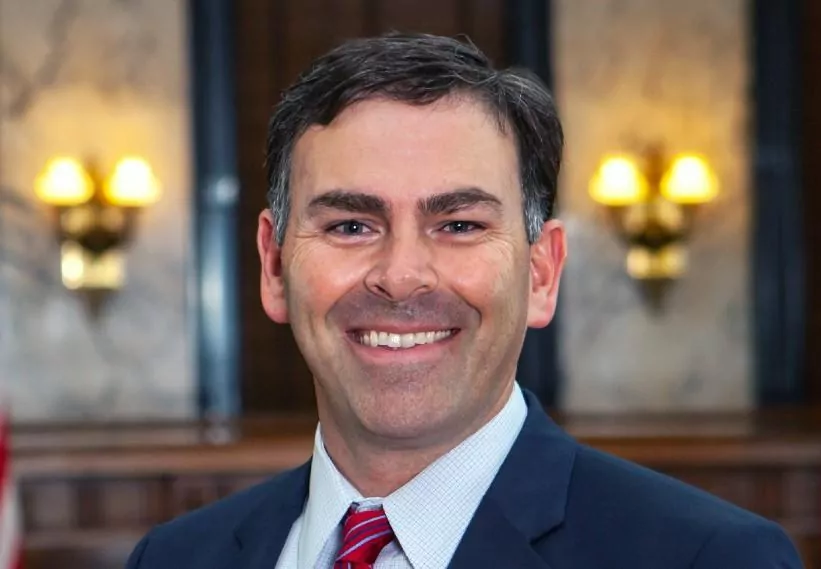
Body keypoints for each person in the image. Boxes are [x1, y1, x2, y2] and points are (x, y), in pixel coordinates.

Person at [126, 32, 803, 569]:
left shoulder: (707, 557)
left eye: (458, 225)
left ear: (541, 272)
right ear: (274, 265)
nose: (401, 276)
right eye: (351, 226)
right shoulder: (174, 557)